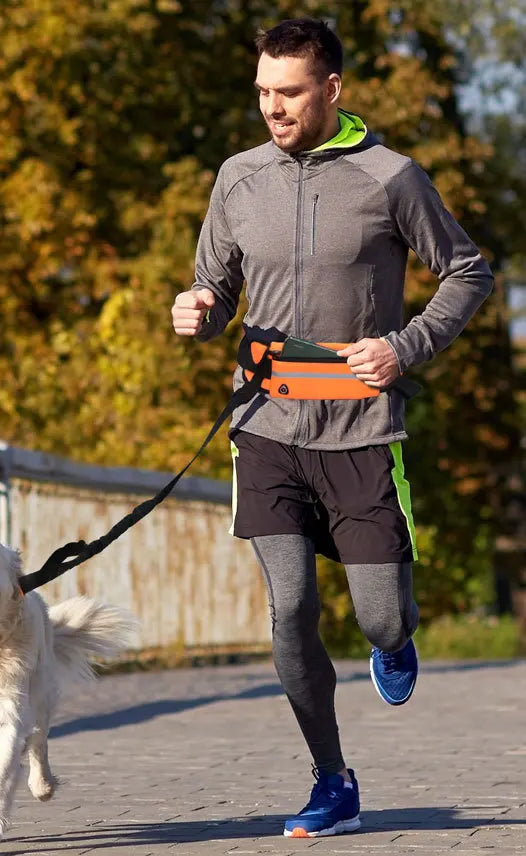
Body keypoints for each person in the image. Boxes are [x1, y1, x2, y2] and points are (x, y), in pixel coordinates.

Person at [170, 18, 493, 839]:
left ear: (332, 90)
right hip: (266, 421)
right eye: (262, 93)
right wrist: (199, 310)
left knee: (379, 617)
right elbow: (213, 285)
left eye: (289, 93)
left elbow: (468, 270)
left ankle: (396, 635)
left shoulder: (391, 179)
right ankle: (332, 779)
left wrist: (404, 346)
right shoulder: (237, 178)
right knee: (289, 613)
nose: (272, 109)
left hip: (359, 427)